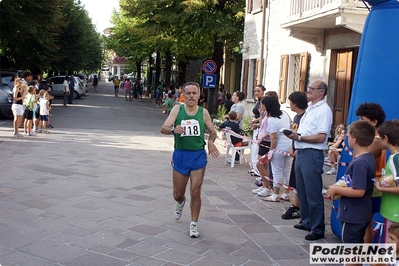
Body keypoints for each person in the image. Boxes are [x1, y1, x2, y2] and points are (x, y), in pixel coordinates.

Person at [160, 81, 220, 238]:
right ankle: (180, 202)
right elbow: (163, 128)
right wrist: (174, 130)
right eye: (188, 93)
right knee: (177, 194)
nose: (191, 96)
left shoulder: (203, 112)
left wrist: (211, 141)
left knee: (195, 191)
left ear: (199, 95)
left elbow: (213, 132)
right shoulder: (177, 109)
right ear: (183, 95)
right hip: (181, 155)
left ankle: (194, 224)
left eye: (194, 93)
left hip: (198, 156)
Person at [286, 79, 332, 241]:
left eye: (312, 89)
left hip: (312, 153)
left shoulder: (323, 111)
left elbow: (321, 137)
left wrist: (299, 137)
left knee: (313, 192)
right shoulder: (311, 108)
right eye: (308, 88)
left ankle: (318, 228)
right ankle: (307, 221)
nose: (308, 91)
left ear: (322, 92)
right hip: (302, 151)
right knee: (302, 190)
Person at [327, 120, 376, 246]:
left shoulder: (360, 162)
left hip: (353, 214)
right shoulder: (368, 157)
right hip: (360, 212)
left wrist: (335, 189)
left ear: (354, 140)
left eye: (348, 136)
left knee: (351, 250)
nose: (346, 139)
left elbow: (359, 190)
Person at [356, 102, 386, 243]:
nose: (359, 122)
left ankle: (365, 254)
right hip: (370, 184)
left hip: (373, 186)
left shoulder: (376, 140)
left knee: (366, 223)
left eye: (363, 119)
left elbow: (361, 156)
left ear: (374, 122)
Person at [281, 91, 308, 219]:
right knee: (296, 180)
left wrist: (297, 150)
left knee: (300, 182)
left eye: (290, 102)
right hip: (295, 149)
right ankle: (296, 205)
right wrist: (292, 147)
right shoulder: (296, 117)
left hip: (301, 152)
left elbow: (304, 135)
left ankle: (298, 207)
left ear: (295, 103)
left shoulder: (305, 117)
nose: (289, 104)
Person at [261, 95, 293, 202]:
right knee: (287, 171)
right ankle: (286, 193)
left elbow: (274, 137)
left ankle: (275, 194)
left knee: (277, 171)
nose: (261, 106)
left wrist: (271, 151)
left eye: (262, 104)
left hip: (279, 147)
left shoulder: (271, 120)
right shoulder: (284, 114)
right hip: (289, 145)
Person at [374, 119, 399, 243]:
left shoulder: (395, 159)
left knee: (391, 245)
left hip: (395, 212)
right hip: (392, 211)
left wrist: (380, 188)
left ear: (386, 138)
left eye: (379, 138)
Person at [249, 85, 266, 177]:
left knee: (257, 147)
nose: (256, 93)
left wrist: (255, 121)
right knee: (254, 147)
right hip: (256, 125)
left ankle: (258, 169)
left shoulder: (263, 101)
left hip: (260, 126)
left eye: (258, 91)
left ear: (263, 91)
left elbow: (264, 114)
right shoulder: (258, 101)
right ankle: (254, 167)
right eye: (255, 91)